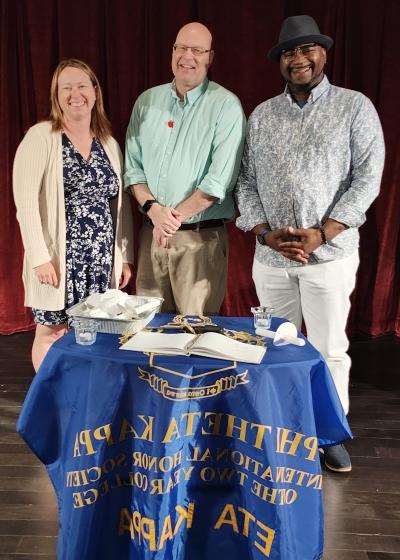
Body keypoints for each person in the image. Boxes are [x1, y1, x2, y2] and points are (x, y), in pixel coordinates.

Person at [235, 15, 385, 472]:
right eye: (287, 52)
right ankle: (281, 428)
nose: (297, 59)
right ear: (279, 61)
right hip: (272, 257)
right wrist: (264, 232)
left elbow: (368, 179)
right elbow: (245, 182)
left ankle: (329, 434)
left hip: (330, 256)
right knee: (276, 348)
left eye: (305, 50)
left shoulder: (355, 107)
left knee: (328, 349)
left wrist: (324, 232)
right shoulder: (262, 114)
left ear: (323, 53)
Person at [13, 58, 134, 372]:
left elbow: (120, 208)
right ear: (56, 95)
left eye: (81, 85)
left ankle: (86, 395)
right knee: (51, 333)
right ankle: (51, 400)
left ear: (95, 92)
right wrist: (39, 257)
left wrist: (123, 256)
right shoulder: (41, 137)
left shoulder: (108, 143)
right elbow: (24, 204)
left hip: (100, 259)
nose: (74, 93)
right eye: (65, 87)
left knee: (96, 332)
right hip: (58, 260)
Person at [124, 22, 245, 316]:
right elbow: (133, 170)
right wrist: (154, 210)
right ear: (172, 52)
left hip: (200, 242)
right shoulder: (147, 102)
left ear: (209, 57)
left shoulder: (226, 106)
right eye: (181, 48)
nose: (187, 56)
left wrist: (171, 220)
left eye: (197, 50)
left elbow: (218, 183)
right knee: (149, 331)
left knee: (194, 336)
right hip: (152, 236)